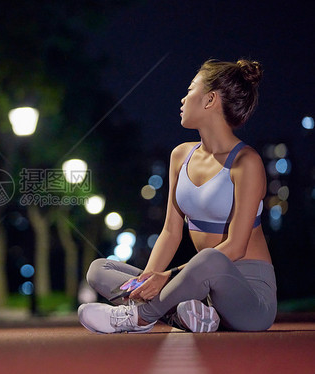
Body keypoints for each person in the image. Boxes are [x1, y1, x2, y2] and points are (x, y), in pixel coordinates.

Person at [78, 59, 277, 333]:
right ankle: (190, 316)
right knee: (100, 270)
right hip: (198, 287)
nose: (183, 99)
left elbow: (236, 248)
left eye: (190, 89)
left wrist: (167, 277)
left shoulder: (246, 162)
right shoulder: (181, 156)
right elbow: (171, 232)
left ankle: (138, 317)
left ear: (209, 100)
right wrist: (147, 282)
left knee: (209, 259)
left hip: (249, 298)